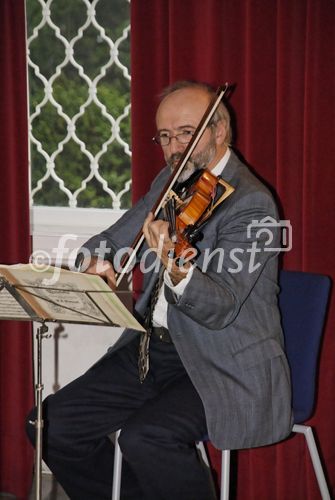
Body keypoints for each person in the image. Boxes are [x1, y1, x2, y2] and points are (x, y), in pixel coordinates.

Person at [26, 80, 293, 500]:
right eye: (165, 136)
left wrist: (175, 266)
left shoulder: (253, 205)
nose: (173, 147)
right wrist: (95, 262)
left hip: (220, 359)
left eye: (186, 133)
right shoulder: (170, 181)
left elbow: (220, 307)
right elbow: (112, 238)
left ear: (219, 131)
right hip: (154, 350)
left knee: (145, 437)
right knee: (50, 426)